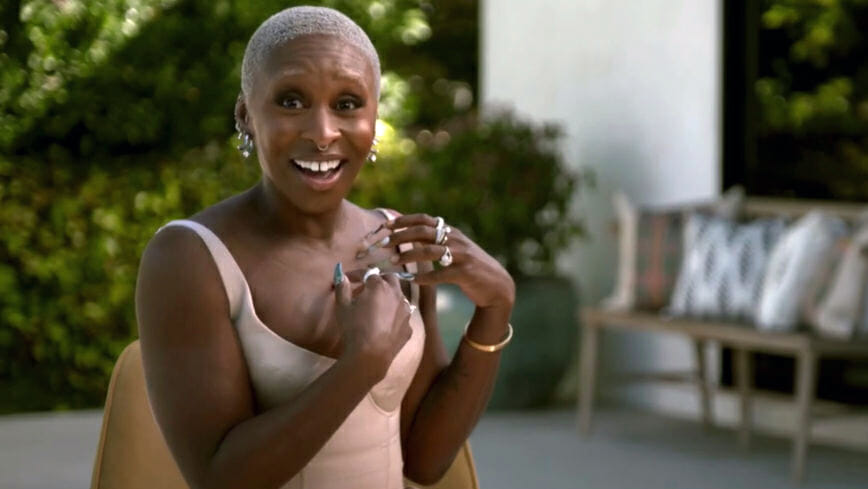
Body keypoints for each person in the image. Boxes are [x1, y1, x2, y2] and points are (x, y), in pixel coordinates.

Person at [135, 6, 515, 489]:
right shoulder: (191, 258)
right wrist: (361, 366)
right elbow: (218, 479)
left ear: (374, 120)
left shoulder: (394, 240)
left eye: (348, 104)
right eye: (291, 102)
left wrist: (497, 303)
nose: (322, 133)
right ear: (246, 116)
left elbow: (424, 459)